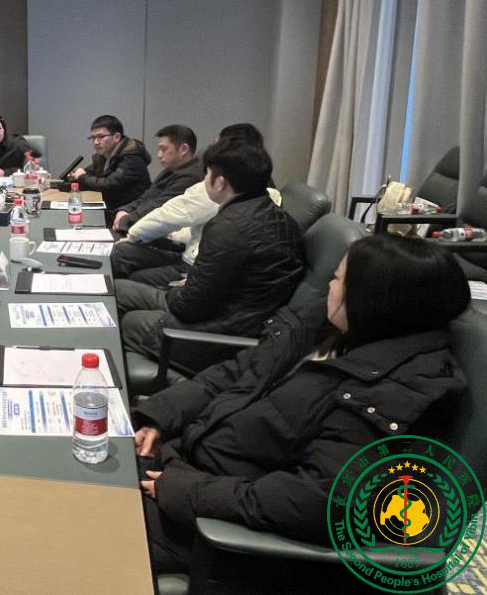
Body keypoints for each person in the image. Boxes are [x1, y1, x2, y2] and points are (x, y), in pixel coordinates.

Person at [134, 234, 470, 575]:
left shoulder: (396, 390)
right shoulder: (325, 327)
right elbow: (238, 373)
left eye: (338, 279)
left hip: (221, 532)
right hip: (187, 467)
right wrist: (161, 418)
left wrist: (188, 492)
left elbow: (319, 501)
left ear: (370, 300)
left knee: (100, 529)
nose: (330, 286)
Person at [117, 139, 304, 372]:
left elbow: (189, 307)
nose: (203, 181)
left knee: (130, 319)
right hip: (239, 316)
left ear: (220, 182)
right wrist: (194, 283)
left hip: (223, 333)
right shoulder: (278, 215)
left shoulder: (228, 226)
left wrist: (184, 287)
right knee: (121, 291)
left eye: (206, 175)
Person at [110, 124, 276, 286]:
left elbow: (171, 214)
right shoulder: (259, 193)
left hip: (195, 266)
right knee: (126, 258)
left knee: (128, 277)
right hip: (192, 256)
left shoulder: (228, 189)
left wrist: (131, 233)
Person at [111, 124, 202, 234]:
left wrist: (126, 220)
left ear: (183, 149)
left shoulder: (191, 176)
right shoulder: (170, 171)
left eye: (163, 149)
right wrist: (125, 210)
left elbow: (159, 206)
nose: (159, 155)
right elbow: (146, 197)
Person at [66, 115, 151, 214]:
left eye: (101, 137)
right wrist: (69, 181)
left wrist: (82, 177)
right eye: (93, 138)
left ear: (117, 137)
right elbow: (89, 174)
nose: (96, 142)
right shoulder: (105, 156)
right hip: (114, 208)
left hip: (131, 213)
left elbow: (108, 185)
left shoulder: (131, 158)